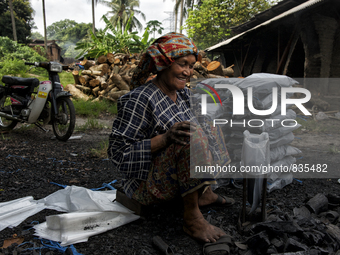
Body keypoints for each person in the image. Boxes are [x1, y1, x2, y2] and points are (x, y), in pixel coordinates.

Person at [108, 32, 234, 243]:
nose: (188, 72)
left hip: (173, 175)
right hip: (146, 184)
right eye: (182, 64)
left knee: (209, 125)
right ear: (164, 64)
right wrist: (165, 138)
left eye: (191, 66)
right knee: (188, 136)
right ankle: (192, 218)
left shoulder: (183, 94)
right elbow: (118, 153)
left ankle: (205, 192)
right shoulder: (140, 99)